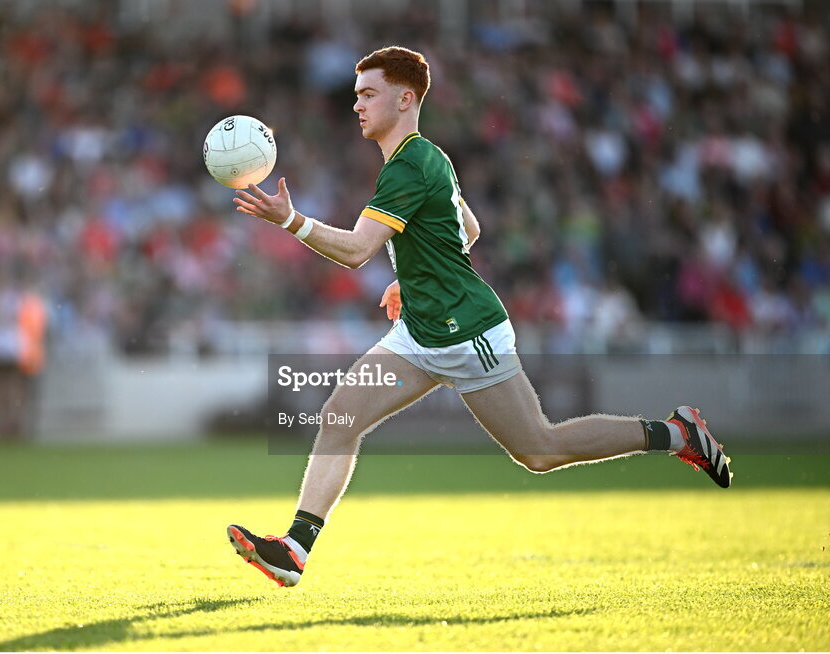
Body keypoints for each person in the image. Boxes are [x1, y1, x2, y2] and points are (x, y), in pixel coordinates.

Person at [227, 46, 731, 588]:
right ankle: (295, 550)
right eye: (356, 96)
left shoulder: (411, 166)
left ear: (405, 99)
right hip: (421, 330)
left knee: (541, 450)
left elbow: (355, 251)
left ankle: (677, 434)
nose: (358, 105)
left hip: (468, 333)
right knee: (340, 416)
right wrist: (412, 277)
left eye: (368, 94)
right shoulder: (428, 158)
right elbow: (467, 229)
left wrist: (291, 221)